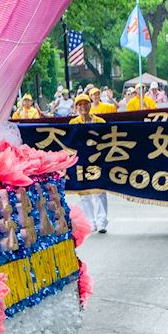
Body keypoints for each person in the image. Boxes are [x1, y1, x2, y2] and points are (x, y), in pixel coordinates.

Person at [69, 93, 109, 233]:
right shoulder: (73, 123)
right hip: (81, 161)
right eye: (79, 104)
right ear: (76, 107)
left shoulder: (100, 121)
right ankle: (91, 221)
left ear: (90, 105)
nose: (83, 107)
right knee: (84, 192)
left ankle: (102, 221)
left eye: (85, 103)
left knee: (99, 191)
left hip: (97, 160)